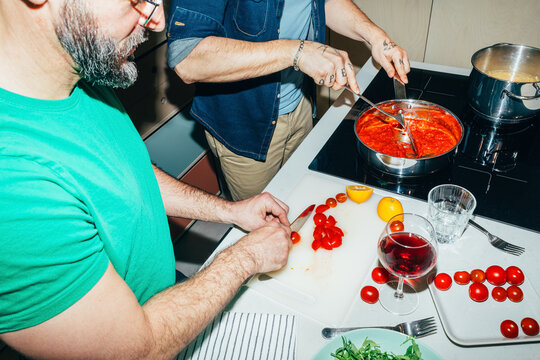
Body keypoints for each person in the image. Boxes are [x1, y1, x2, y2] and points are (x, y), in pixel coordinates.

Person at [0, 1, 293, 358]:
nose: (158, 22)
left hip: (167, 301)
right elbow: (134, 350)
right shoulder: (12, 184)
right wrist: (245, 258)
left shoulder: (75, 67)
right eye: (136, 0)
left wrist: (231, 212)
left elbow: (126, 176)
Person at [167, 0, 410, 201]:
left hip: (300, 103)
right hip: (245, 123)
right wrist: (297, 52)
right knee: (262, 229)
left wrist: (374, 35)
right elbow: (187, 57)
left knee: (299, 199)